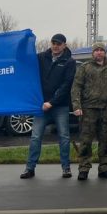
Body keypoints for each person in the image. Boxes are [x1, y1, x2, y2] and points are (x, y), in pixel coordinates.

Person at [21, 33, 76, 179]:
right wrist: (23, 42)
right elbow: (26, 63)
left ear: (64, 45)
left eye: (59, 44)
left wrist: (51, 102)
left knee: (64, 137)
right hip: (41, 106)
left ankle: (66, 168)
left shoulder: (69, 62)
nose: (55, 46)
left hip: (60, 106)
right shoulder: (41, 57)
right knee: (35, 137)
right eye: (53, 43)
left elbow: (66, 85)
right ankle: (30, 168)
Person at [71, 42, 107, 181]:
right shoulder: (85, 67)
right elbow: (76, 88)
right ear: (92, 53)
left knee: (105, 140)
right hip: (88, 109)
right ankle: (84, 168)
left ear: (105, 52)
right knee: (86, 141)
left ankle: (104, 168)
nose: (99, 52)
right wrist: (77, 106)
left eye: (101, 50)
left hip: (106, 110)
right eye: (96, 50)